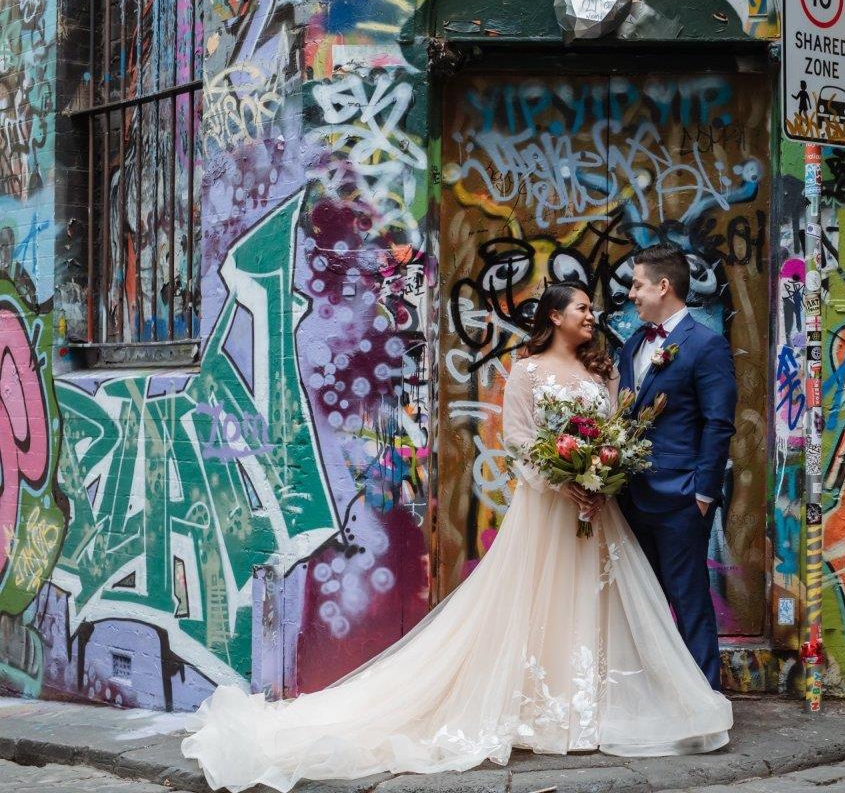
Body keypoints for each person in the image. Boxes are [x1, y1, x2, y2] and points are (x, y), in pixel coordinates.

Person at [181, 280, 732, 793]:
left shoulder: (603, 371)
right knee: (541, 598)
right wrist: (564, 483)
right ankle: (544, 706)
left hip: (598, 508)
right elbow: (519, 441)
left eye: (591, 309)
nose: (593, 315)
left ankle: (592, 705)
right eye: (582, 308)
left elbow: (614, 432)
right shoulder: (527, 372)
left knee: (597, 597)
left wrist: (600, 479)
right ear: (555, 317)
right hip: (548, 509)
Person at [618, 244, 737, 690]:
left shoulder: (706, 345)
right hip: (631, 498)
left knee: (689, 602)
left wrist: (703, 495)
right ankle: (656, 696)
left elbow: (718, 423)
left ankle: (706, 699)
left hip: (682, 500)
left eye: (638, 285)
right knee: (640, 603)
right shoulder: (633, 345)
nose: (632, 294)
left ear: (663, 286)